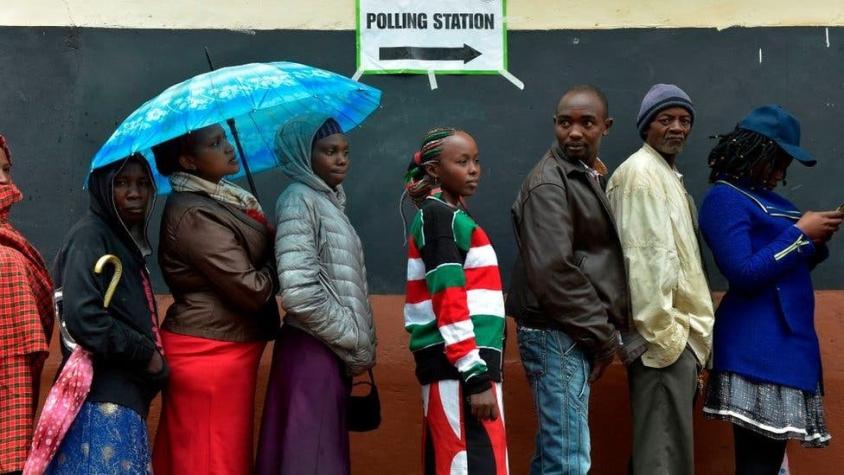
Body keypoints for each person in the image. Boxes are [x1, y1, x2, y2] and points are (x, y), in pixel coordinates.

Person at [699, 105, 841, 474]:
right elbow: (744, 273)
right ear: (752, 153)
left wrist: (816, 237)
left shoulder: (777, 202)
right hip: (757, 347)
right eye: (776, 161)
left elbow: (787, 267)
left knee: (769, 463)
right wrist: (800, 235)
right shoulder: (724, 198)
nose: (781, 173)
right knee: (758, 464)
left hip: (789, 345)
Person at [507, 85, 636, 474]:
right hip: (558, 333)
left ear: (606, 127)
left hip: (569, 330)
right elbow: (554, 272)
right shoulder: (549, 182)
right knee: (567, 462)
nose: (574, 132)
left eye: (587, 123)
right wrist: (601, 338)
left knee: (555, 455)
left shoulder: (584, 174)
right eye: (566, 123)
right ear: (555, 125)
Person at [151, 124, 280, 475]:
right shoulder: (195, 213)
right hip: (209, 351)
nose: (227, 148)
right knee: (210, 459)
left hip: (223, 346)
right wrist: (279, 260)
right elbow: (251, 289)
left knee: (215, 454)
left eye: (225, 138)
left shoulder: (221, 198)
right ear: (187, 161)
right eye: (214, 143)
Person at [255, 114, 376, 475]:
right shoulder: (298, 200)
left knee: (316, 455)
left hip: (327, 350)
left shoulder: (327, 202)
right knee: (310, 459)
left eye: (344, 151)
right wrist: (353, 336)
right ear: (303, 156)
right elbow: (300, 293)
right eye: (329, 151)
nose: (341, 159)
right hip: (312, 352)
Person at [606, 83, 715, 475]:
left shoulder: (664, 174)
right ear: (645, 126)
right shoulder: (640, 175)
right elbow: (644, 263)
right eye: (665, 119)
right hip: (663, 344)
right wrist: (668, 339)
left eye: (684, 120)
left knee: (660, 453)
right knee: (663, 461)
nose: (677, 128)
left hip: (675, 341)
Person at [47, 154, 166, 474]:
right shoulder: (90, 237)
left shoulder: (121, 242)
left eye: (143, 184)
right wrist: (147, 355)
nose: (134, 192)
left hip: (122, 396)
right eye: (122, 183)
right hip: (98, 400)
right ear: (102, 188)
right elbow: (84, 318)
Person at [402, 127, 508, 474]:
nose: (473, 169)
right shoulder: (437, 219)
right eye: (462, 162)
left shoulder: (453, 217)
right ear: (434, 170)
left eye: (476, 161)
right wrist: (476, 378)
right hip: (460, 374)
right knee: (463, 463)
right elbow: (448, 299)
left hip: (467, 370)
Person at [0, 135, 54, 475]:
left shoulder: (10, 251)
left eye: (6, 169)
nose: (5, 181)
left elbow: (16, 372)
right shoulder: (6, 260)